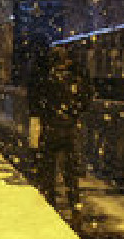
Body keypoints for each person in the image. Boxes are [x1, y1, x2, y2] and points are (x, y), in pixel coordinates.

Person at [26, 46, 93, 215]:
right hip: (69, 129)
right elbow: (86, 99)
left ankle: (50, 203)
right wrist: (74, 113)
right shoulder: (75, 80)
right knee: (70, 171)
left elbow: (34, 103)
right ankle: (74, 203)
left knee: (48, 169)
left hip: (49, 129)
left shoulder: (45, 79)